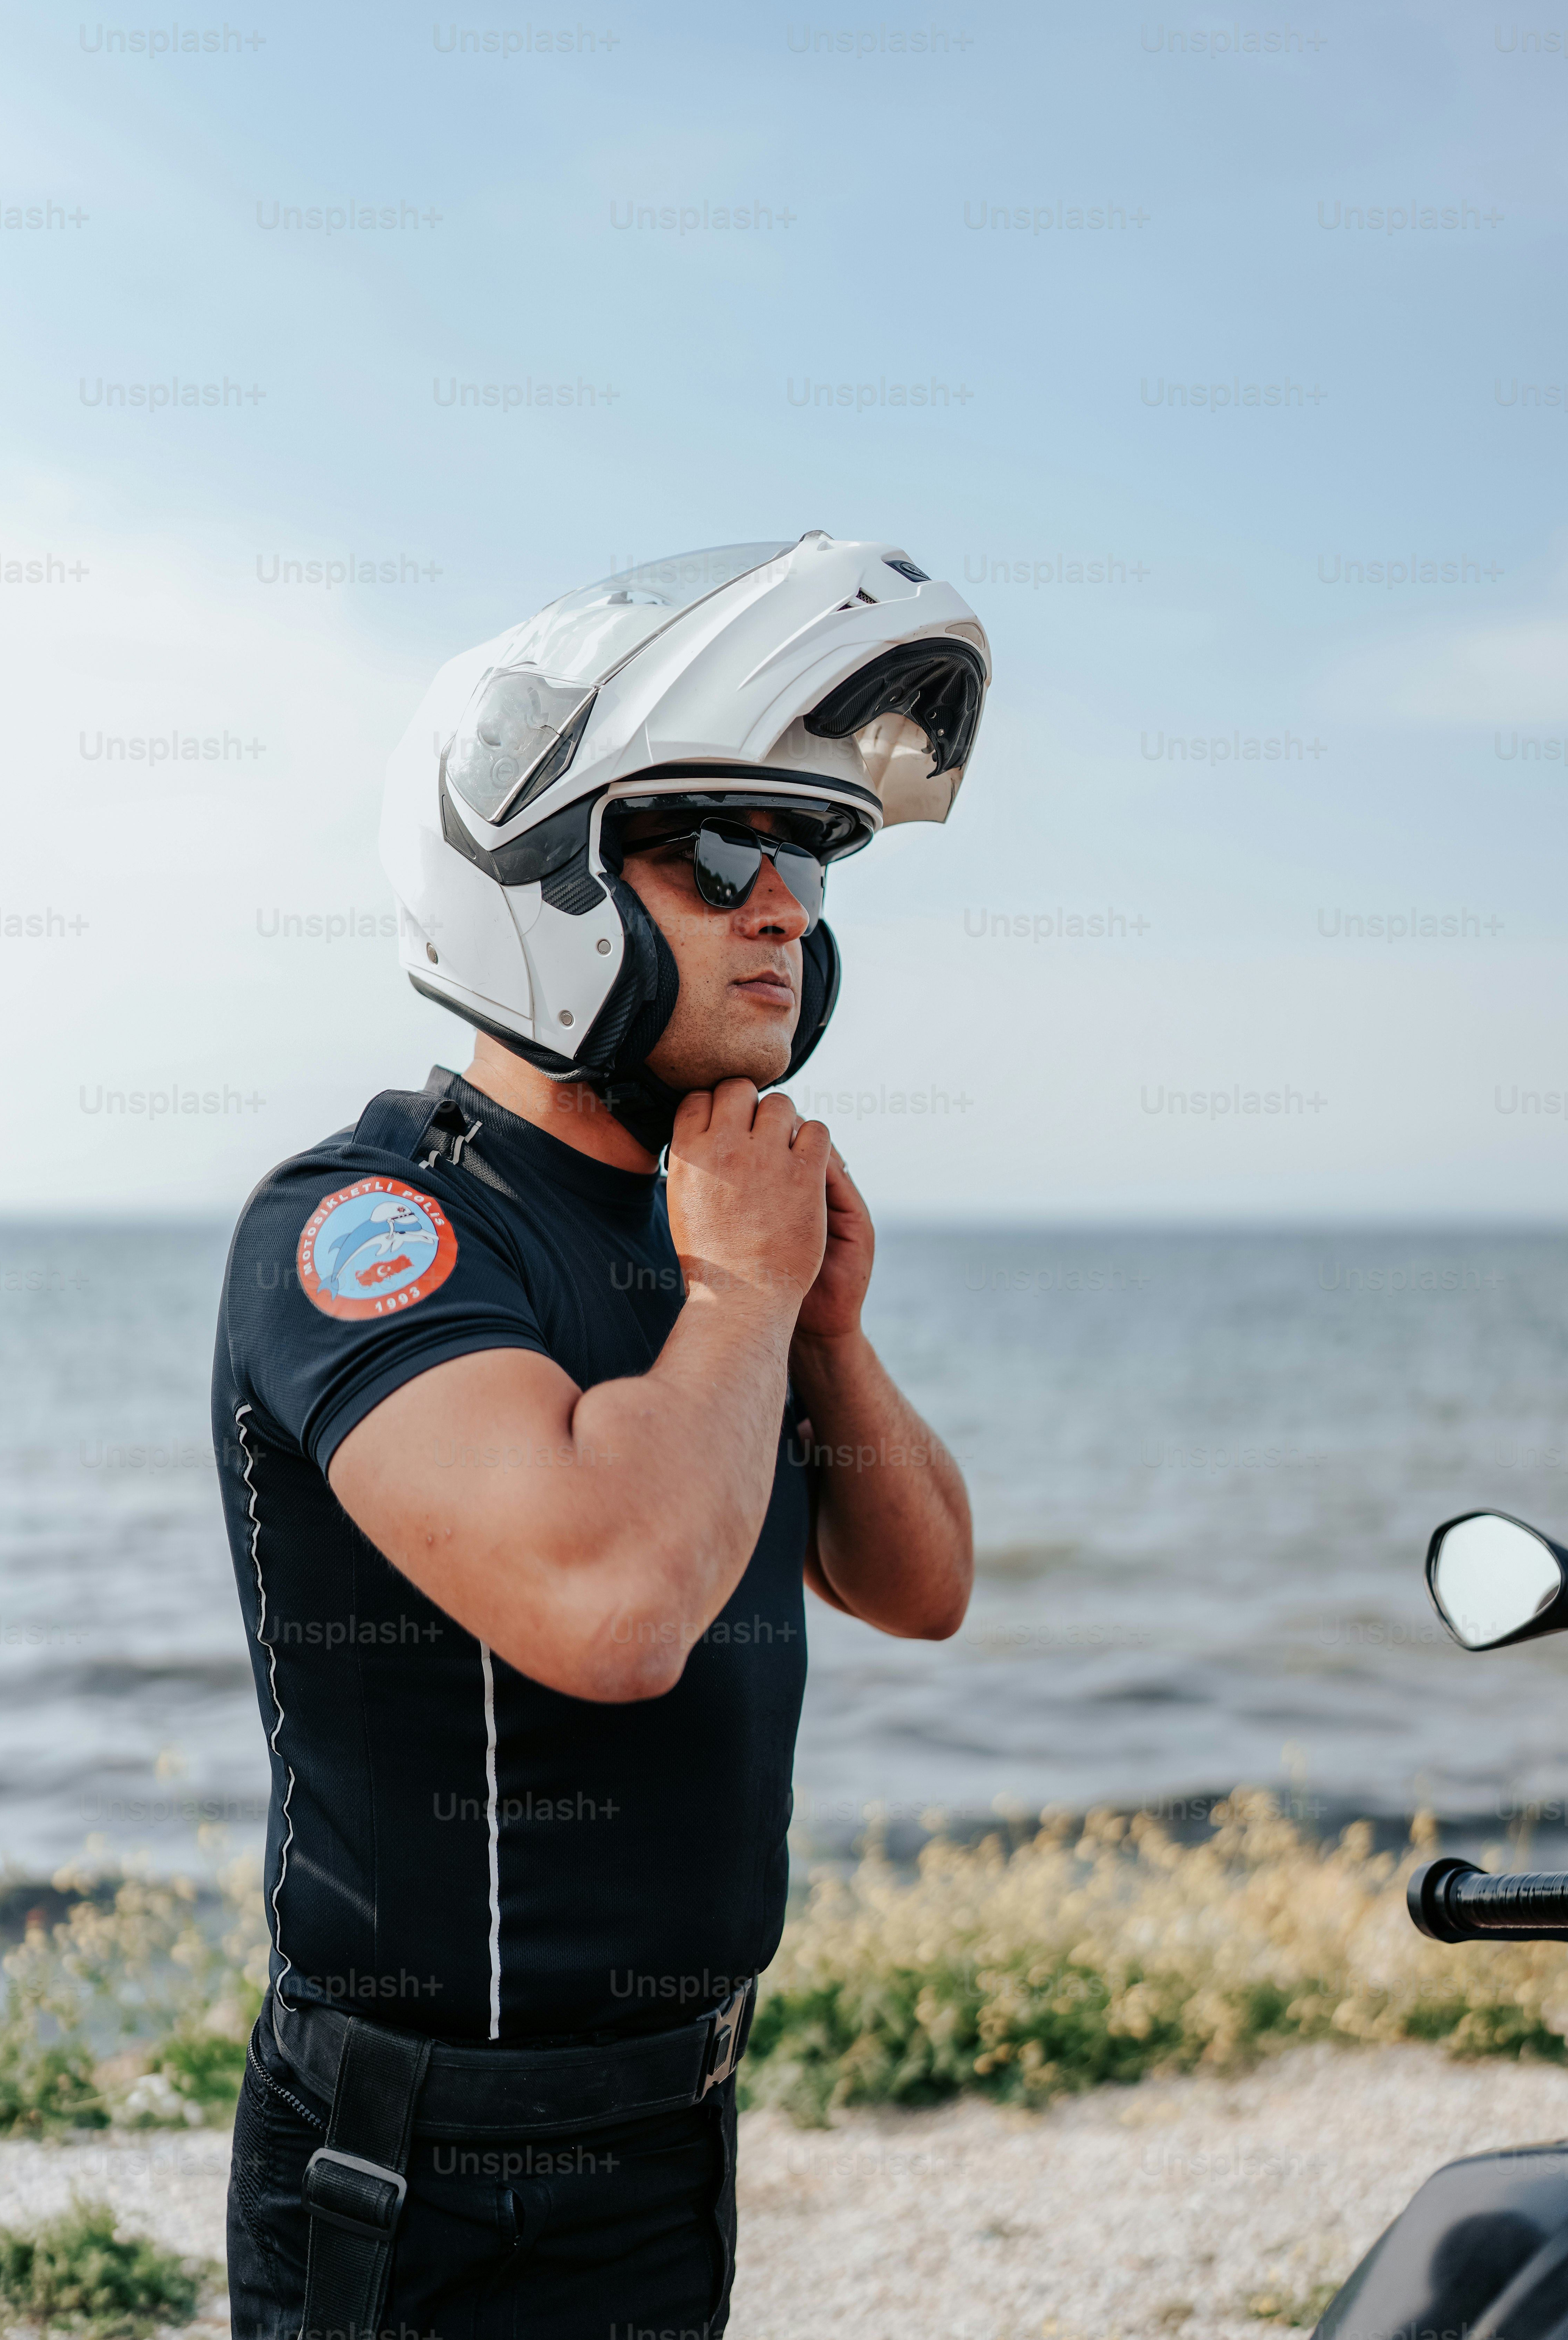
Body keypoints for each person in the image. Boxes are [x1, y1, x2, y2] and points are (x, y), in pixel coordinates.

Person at [214, 533, 991, 2338]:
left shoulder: (714, 1220)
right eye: (724, 850)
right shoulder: (371, 1228)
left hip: (672, 2127)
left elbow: (926, 1582)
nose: (785, 908)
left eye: (804, 855)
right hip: (424, 2172)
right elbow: (614, 1607)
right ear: (536, 880)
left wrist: (826, 1330)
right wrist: (736, 1304)